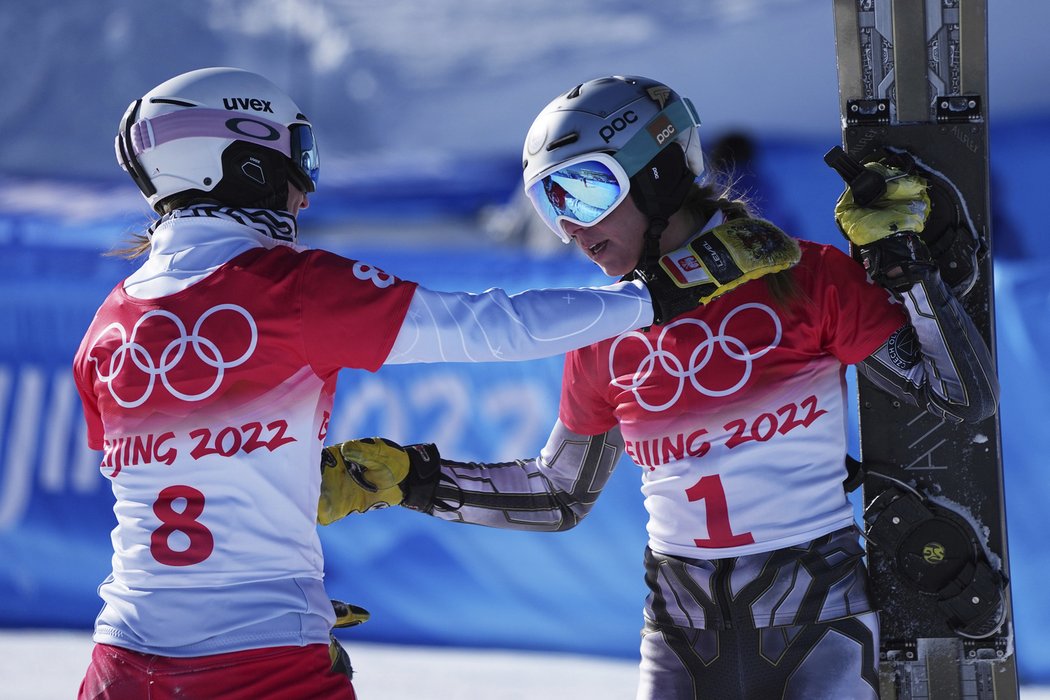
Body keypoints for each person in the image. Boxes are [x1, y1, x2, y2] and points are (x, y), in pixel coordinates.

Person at [321, 75, 999, 699]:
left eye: (585, 191)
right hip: (681, 639)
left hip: (818, 627)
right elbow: (559, 494)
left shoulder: (806, 279)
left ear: (658, 174)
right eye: (550, 204)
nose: (573, 229)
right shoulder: (601, 331)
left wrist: (909, 269)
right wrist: (407, 477)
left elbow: (959, 395)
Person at [71, 67, 726, 700]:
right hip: (265, 661)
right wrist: (651, 298)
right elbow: (492, 328)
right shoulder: (291, 289)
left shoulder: (105, 329)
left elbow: (174, 493)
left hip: (120, 666)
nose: (306, 190)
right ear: (243, 162)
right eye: (299, 157)